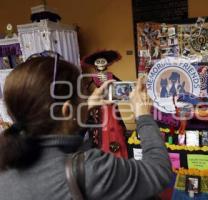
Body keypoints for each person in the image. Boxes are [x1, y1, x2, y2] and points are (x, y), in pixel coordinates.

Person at [0, 56, 173, 200]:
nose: (87, 97)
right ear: (67, 110)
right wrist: (143, 115)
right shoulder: (92, 168)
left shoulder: (6, 158)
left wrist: (83, 108)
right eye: (84, 93)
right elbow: (159, 172)